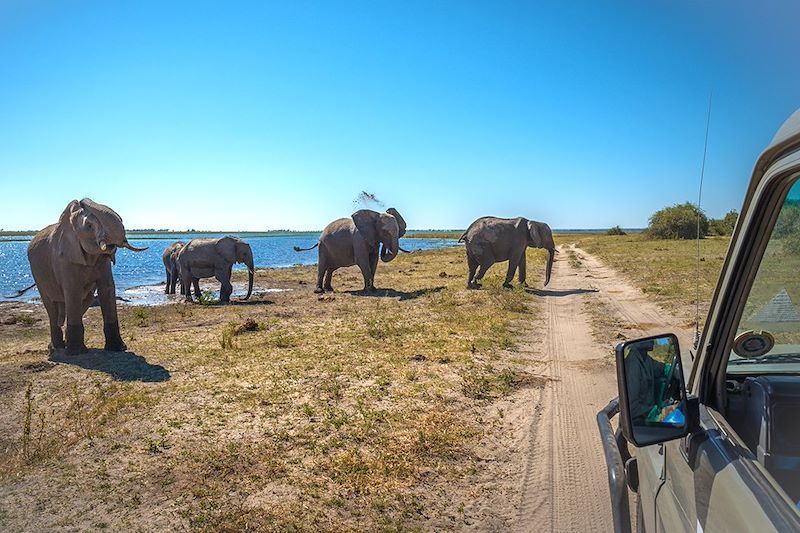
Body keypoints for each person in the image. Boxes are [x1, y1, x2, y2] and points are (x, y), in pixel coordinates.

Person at [624, 339, 668, 425]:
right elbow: (632, 407)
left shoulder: (646, 359)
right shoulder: (633, 365)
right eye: (646, 339)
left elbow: (662, 368)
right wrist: (657, 413)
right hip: (640, 421)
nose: (652, 340)